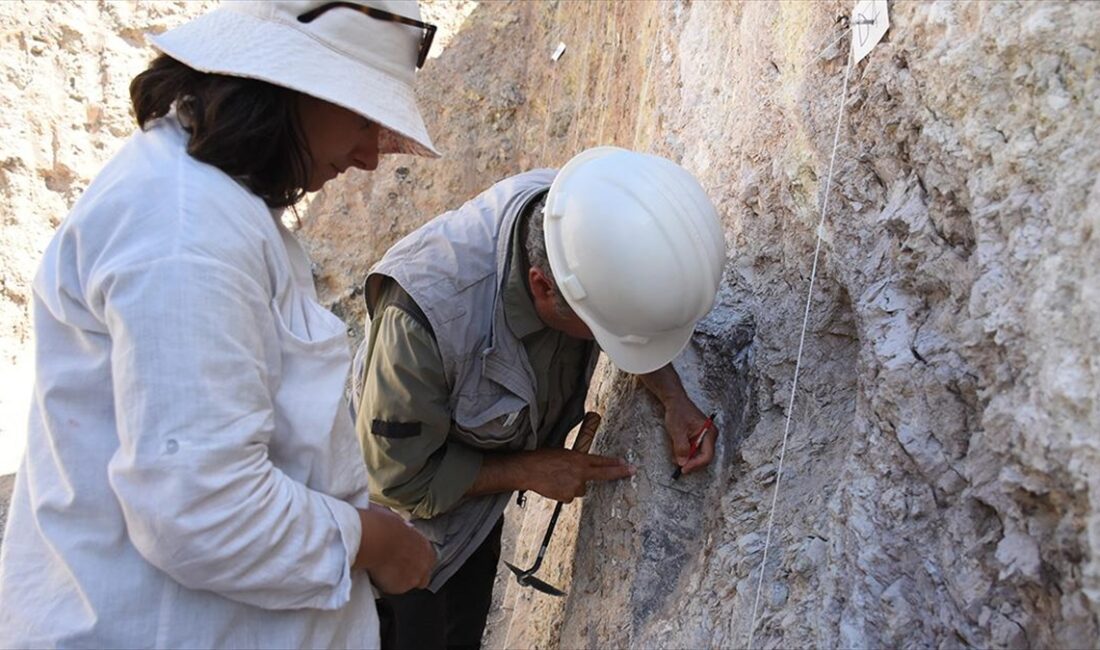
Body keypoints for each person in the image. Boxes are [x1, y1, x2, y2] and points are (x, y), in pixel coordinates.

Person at [0, 2, 440, 647]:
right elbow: (205, 511)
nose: (371, 155)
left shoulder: (204, 204)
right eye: (362, 114)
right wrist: (377, 542)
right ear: (288, 89)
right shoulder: (186, 229)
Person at [353, 146, 727, 648]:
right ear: (543, 288)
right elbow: (396, 479)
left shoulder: (584, 217)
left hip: (474, 515)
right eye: (597, 328)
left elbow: (618, 312)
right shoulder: (424, 322)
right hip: (401, 530)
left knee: (466, 622)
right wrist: (529, 470)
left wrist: (673, 399)